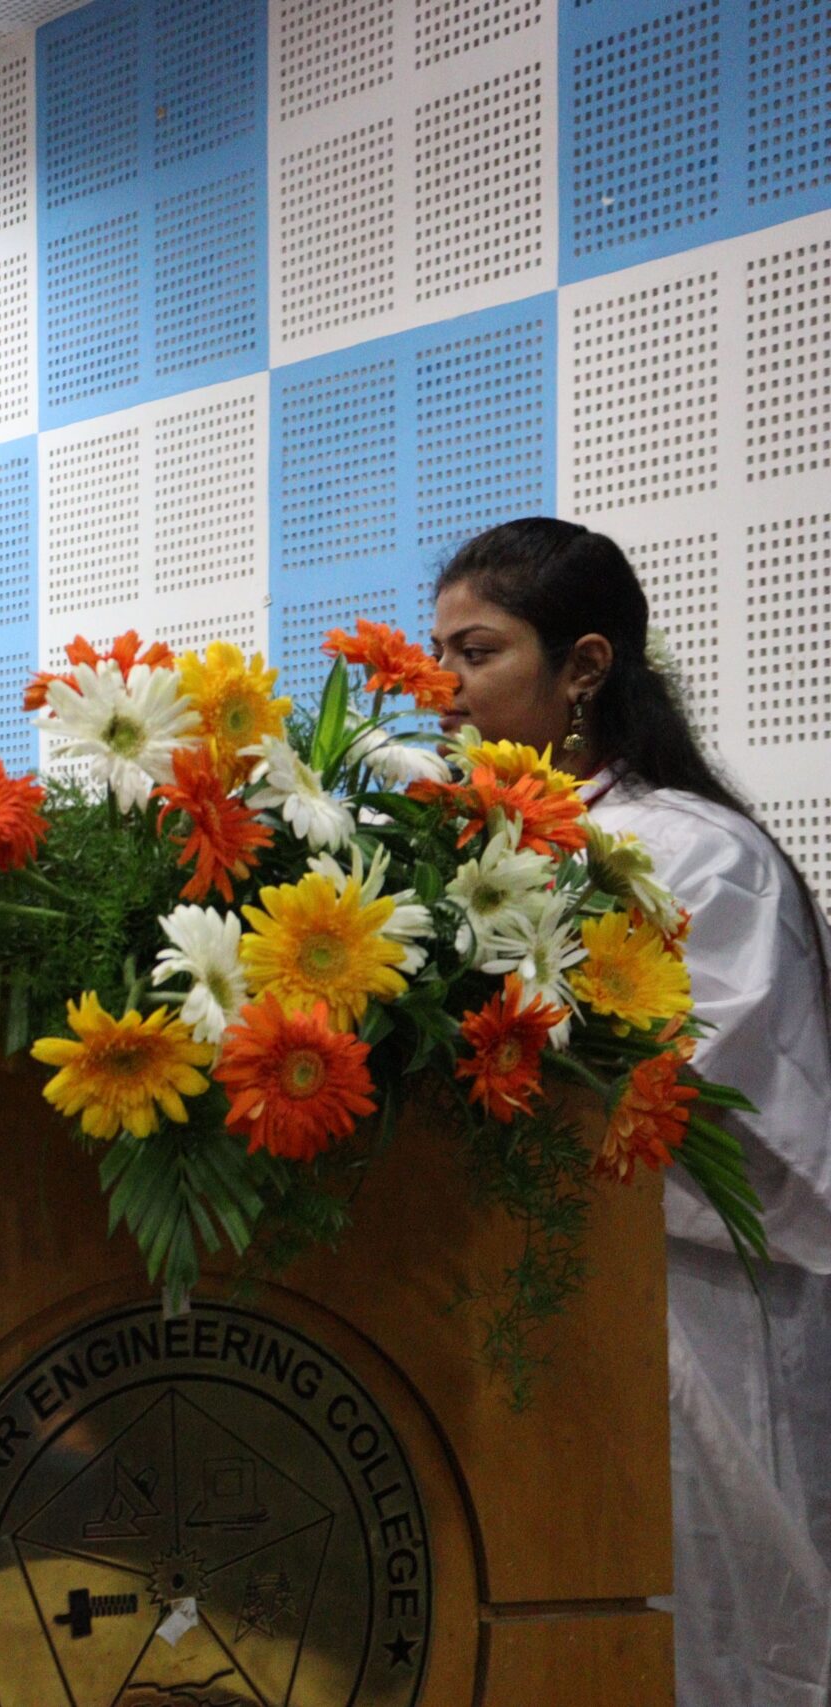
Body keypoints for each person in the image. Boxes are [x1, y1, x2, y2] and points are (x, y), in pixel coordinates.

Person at [432, 517, 831, 1707]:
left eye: (475, 653)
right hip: (507, 1315)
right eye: (437, 653)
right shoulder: (463, 856)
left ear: (585, 666)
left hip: (679, 1323)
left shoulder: (694, 858)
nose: (442, 688)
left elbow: (734, 1126)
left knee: (695, 1645)